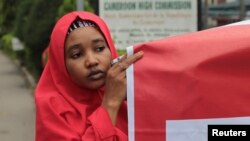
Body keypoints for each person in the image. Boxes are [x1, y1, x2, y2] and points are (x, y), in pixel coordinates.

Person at [35, 11, 143, 141]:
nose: (91, 61)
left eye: (99, 48)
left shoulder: (128, 89)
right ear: (61, 64)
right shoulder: (52, 106)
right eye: (76, 55)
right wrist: (110, 104)